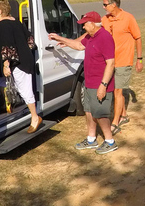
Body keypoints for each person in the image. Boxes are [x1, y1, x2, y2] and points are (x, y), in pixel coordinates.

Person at [48, 11, 119, 155]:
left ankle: (110, 141)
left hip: (100, 83)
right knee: (89, 111)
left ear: (92, 24)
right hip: (89, 82)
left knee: (100, 113)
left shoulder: (104, 38)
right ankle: (91, 139)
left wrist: (103, 85)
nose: (83, 27)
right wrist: (60, 39)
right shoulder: (90, 36)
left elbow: (111, 63)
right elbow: (79, 46)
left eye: (85, 24)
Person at [0, 0, 42, 133]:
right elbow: (31, 42)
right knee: (25, 88)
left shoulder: (2, 25)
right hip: (27, 59)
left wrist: (6, 64)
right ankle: (33, 115)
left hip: (18, 63)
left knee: (25, 90)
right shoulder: (17, 22)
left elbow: (7, 46)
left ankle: (35, 117)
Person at [101, 0, 142, 133]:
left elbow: (138, 37)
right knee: (114, 90)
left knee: (118, 91)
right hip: (110, 62)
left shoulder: (128, 18)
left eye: (105, 4)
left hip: (124, 60)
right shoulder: (105, 20)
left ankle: (115, 122)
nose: (103, 7)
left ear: (114, 5)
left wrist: (139, 59)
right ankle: (123, 115)